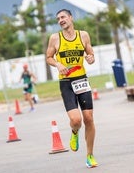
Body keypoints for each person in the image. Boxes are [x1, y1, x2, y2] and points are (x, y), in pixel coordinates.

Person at [46, 9, 98, 168]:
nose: (60, 20)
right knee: (76, 120)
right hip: (66, 82)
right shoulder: (55, 38)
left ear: (70, 18)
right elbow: (48, 57)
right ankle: (74, 131)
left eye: (63, 17)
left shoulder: (84, 35)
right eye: (58, 18)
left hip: (81, 80)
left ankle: (90, 155)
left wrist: (90, 58)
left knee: (88, 118)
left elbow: (90, 55)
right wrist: (57, 63)